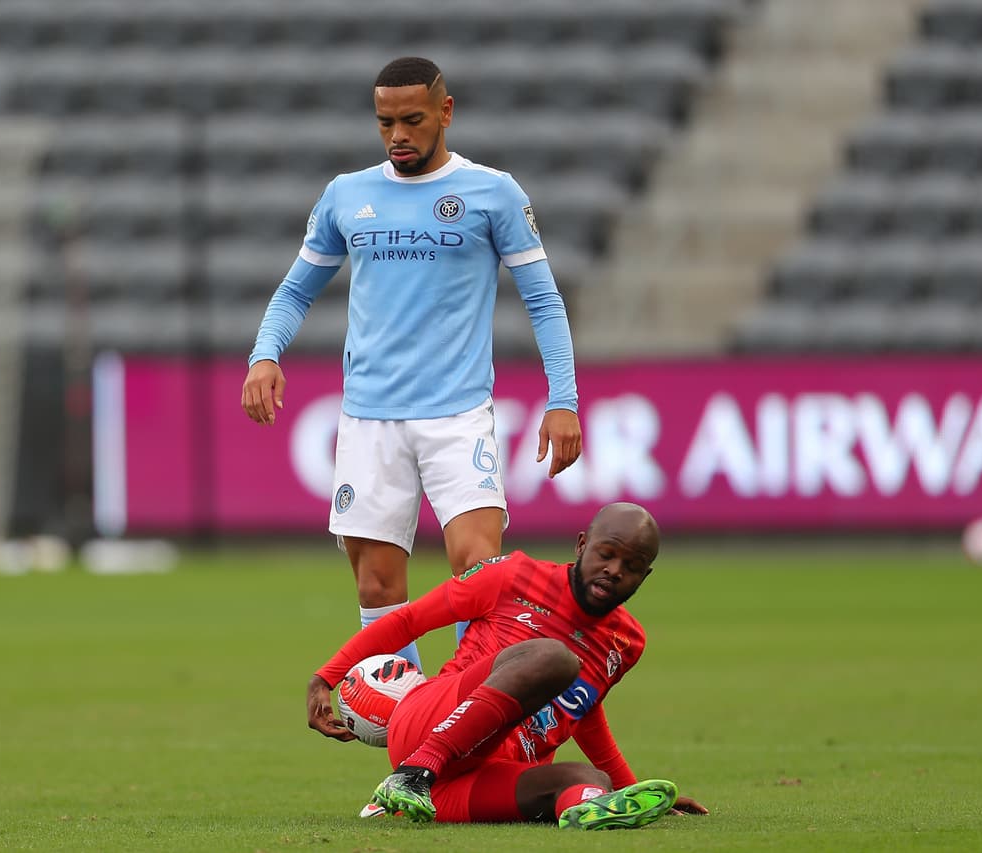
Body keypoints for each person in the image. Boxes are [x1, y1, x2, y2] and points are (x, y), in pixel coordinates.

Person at [242, 56, 582, 667]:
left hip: (458, 414)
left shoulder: (492, 192)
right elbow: (295, 290)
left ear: (445, 113)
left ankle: (468, 723)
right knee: (376, 584)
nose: (398, 135)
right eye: (384, 123)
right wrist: (265, 354)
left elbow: (544, 299)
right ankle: (412, 736)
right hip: (369, 417)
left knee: (478, 570)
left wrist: (563, 400)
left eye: (412, 120)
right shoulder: (347, 195)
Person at [306, 502, 709, 829]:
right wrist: (327, 676)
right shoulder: (513, 575)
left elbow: (582, 712)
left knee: (588, 781)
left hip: (473, 780)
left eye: (632, 567)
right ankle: (413, 774)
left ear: (645, 576)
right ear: (582, 544)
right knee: (551, 656)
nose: (615, 570)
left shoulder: (626, 641)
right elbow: (410, 621)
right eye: (607, 554)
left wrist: (629, 790)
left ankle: (596, 811)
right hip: (430, 722)